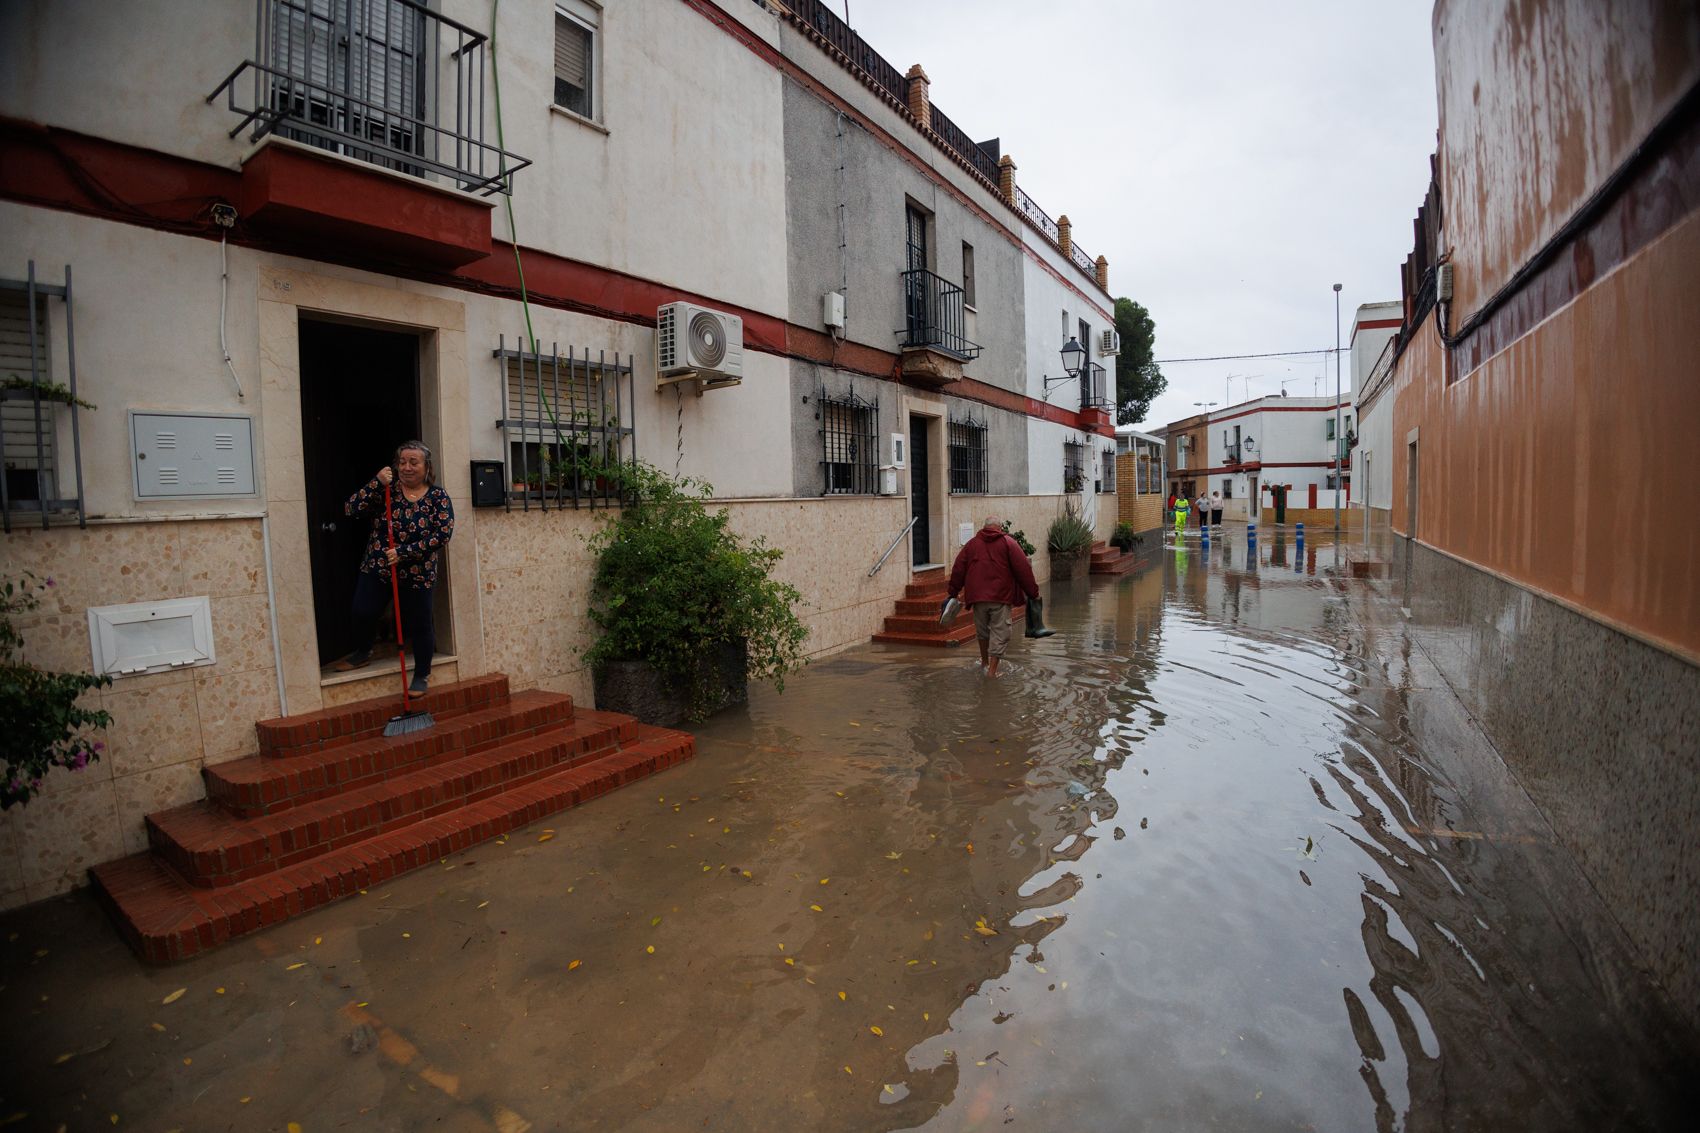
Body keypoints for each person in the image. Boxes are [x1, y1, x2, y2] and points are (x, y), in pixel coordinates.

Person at [331, 441, 455, 694]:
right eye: (402, 462)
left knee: (420, 624)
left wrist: (404, 553)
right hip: (378, 566)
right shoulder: (387, 491)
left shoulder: (437, 497)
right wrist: (376, 482)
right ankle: (363, 651)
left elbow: (442, 534)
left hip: (418, 572)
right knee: (362, 611)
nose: (407, 467)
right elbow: (351, 509)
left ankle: (422, 674)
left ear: (426, 466)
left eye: (414, 462)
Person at [946, 515, 1040, 678]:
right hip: (1000, 597)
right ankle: (992, 673)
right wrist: (1033, 593)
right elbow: (1023, 569)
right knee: (1000, 633)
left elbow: (958, 569)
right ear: (1000, 528)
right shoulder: (1009, 543)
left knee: (982, 632)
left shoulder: (971, 545)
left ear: (984, 528)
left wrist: (953, 593)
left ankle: (984, 662)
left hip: (977, 598)